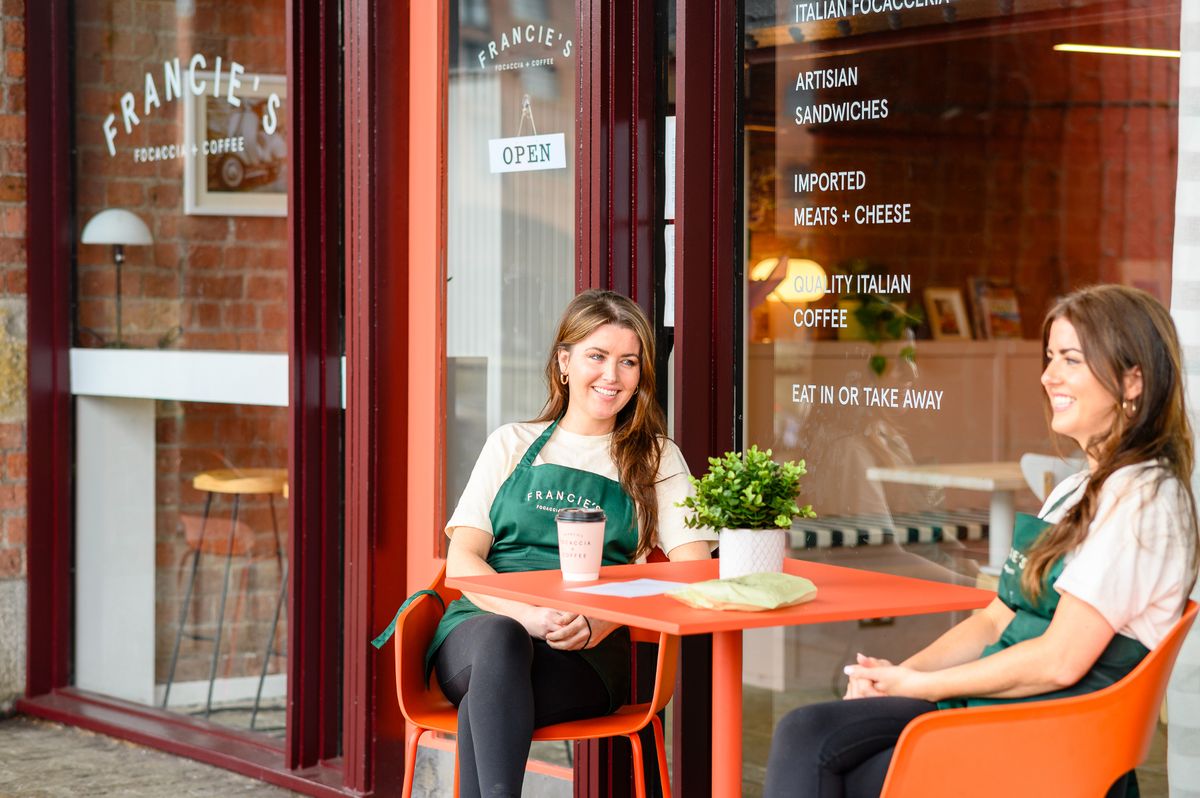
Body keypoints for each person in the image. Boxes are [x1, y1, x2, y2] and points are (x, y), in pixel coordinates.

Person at [763, 284, 1199, 798]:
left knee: (853, 772)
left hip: (1052, 733)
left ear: (1132, 381)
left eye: (1071, 359)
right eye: (1050, 357)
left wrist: (920, 686)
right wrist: (898, 675)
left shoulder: (1144, 500)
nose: (1048, 376)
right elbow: (995, 619)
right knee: (806, 731)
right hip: (1009, 708)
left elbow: (1060, 660)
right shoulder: (1078, 489)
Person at [429, 289, 717, 798]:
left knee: (487, 702)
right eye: (597, 356)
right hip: (483, 627)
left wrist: (603, 620)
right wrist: (527, 616)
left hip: (584, 649)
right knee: (501, 641)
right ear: (564, 363)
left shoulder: (657, 458)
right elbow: (462, 559)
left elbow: (691, 570)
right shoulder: (511, 443)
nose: (612, 376)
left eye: (628, 362)